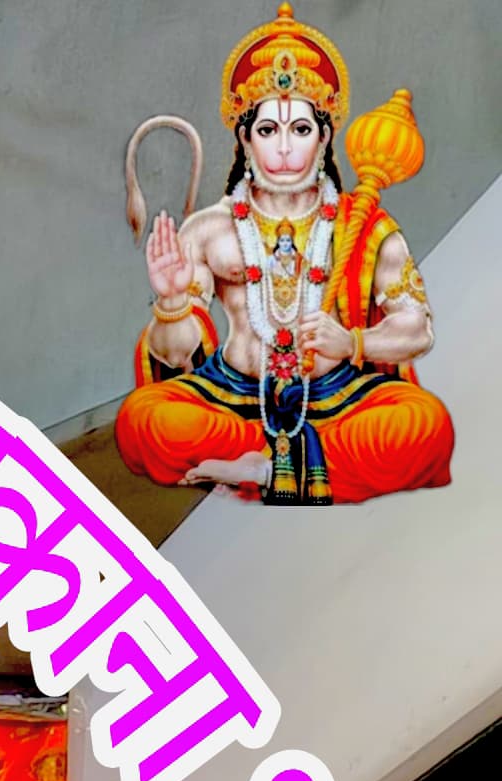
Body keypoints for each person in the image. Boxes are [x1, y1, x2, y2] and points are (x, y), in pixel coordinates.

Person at [115, 5, 451, 505]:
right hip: (233, 395)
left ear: (325, 136)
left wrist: (352, 343)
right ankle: (287, 466)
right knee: (145, 421)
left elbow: (417, 330)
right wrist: (171, 302)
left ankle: (265, 468)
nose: (286, 149)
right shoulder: (209, 228)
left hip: (337, 398)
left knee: (424, 425)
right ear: (245, 138)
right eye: (269, 130)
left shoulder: (365, 228)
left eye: (301, 130)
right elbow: (175, 354)